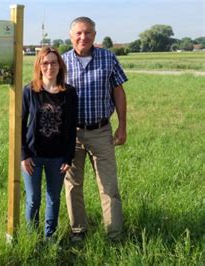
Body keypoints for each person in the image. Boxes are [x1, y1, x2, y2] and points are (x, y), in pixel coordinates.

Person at [62, 16, 128, 241]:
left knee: (109, 185)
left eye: (88, 32)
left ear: (94, 35)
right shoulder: (62, 62)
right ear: (71, 36)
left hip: (101, 131)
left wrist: (122, 126)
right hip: (72, 134)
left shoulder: (108, 58)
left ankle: (114, 235)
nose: (83, 37)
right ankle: (78, 231)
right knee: (72, 185)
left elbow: (118, 92)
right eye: (79, 33)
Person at [21, 47, 78, 240]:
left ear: (60, 66)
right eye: (45, 63)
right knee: (33, 199)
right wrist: (23, 155)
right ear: (39, 66)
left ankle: (49, 237)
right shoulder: (29, 91)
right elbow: (20, 125)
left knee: (53, 199)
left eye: (54, 62)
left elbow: (71, 128)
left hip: (58, 158)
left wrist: (69, 157)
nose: (49, 67)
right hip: (32, 156)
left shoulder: (69, 93)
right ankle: (31, 238)